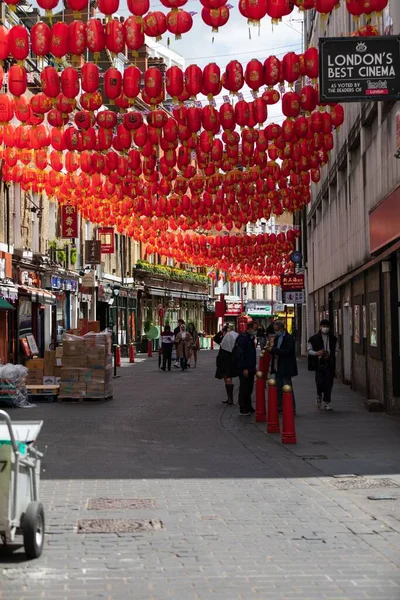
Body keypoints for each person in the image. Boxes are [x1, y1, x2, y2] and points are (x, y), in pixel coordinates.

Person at [308, 319, 338, 411]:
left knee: (329, 382)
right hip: (319, 363)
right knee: (319, 382)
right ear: (320, 327)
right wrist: (317, 353)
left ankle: (327, 401)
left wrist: (331, 356)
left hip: (329, 363)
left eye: (327, 327)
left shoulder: (333, 339)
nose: (325, 328)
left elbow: (337, 350)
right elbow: (309, 350)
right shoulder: (313, 339)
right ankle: (319, 395)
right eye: (324, 326)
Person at [269, 320, 298, 413]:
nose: (275, 331)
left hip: (286, 366)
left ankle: (291, 407)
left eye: (276, 328)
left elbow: (288, 351)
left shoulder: (288, 338)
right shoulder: (277, 338)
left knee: (287, 386)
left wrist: (274, 350)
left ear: (281, 328)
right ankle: (279, 406)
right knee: (278, 387)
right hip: (277, 365)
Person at [235, 321, 257, 416]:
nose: (255, 331)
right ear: (250, 328)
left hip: (250, 366)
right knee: (244, 387)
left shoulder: (250, 337)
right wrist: (244, 367)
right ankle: (243, 407)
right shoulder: (243, 338)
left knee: (249, 388)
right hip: (245, 367)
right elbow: (241, 353)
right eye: (255, 329)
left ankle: (248, 406)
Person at [215, 327, 239, 405]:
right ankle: (229, 397)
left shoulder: (224, 340)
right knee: (227, 378)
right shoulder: (232, 340)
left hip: (224, 362)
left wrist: (221, 331)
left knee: (227, 378)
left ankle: (230, 398)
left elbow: (215, 338)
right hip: (229, 362)